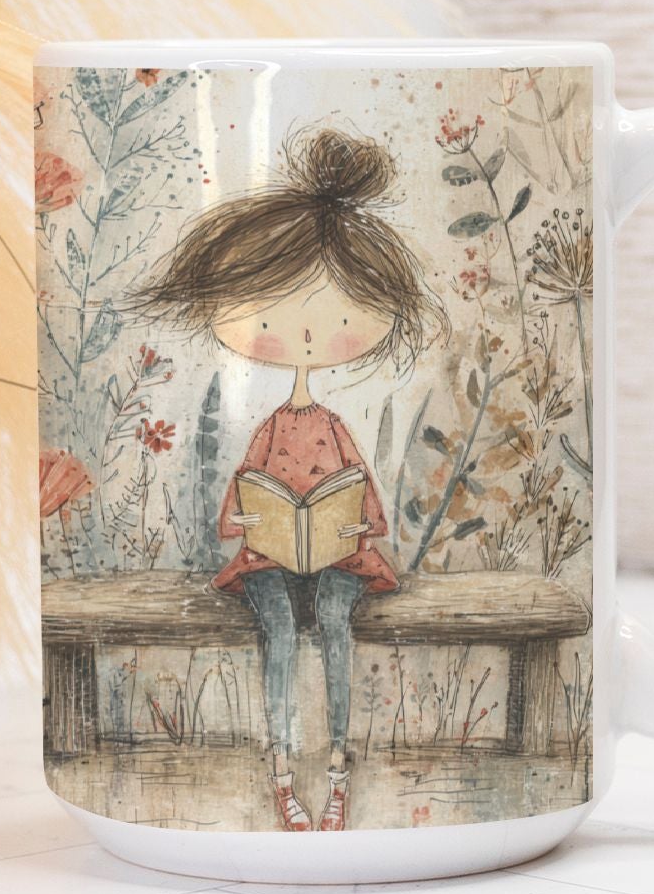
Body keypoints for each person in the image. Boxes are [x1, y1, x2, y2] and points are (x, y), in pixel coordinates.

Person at [137, 123, 441, 831]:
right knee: (276, 629)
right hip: (270, 554)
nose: (306, 335)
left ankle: (336, 766)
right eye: (272, 312)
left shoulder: (334, 425)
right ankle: (281, 770)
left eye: (334, 315)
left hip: (337, 553)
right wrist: (243, 525)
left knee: (337, 624)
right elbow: (244, 490)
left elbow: (362, 492)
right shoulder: (269, 425)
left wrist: (359, 525)